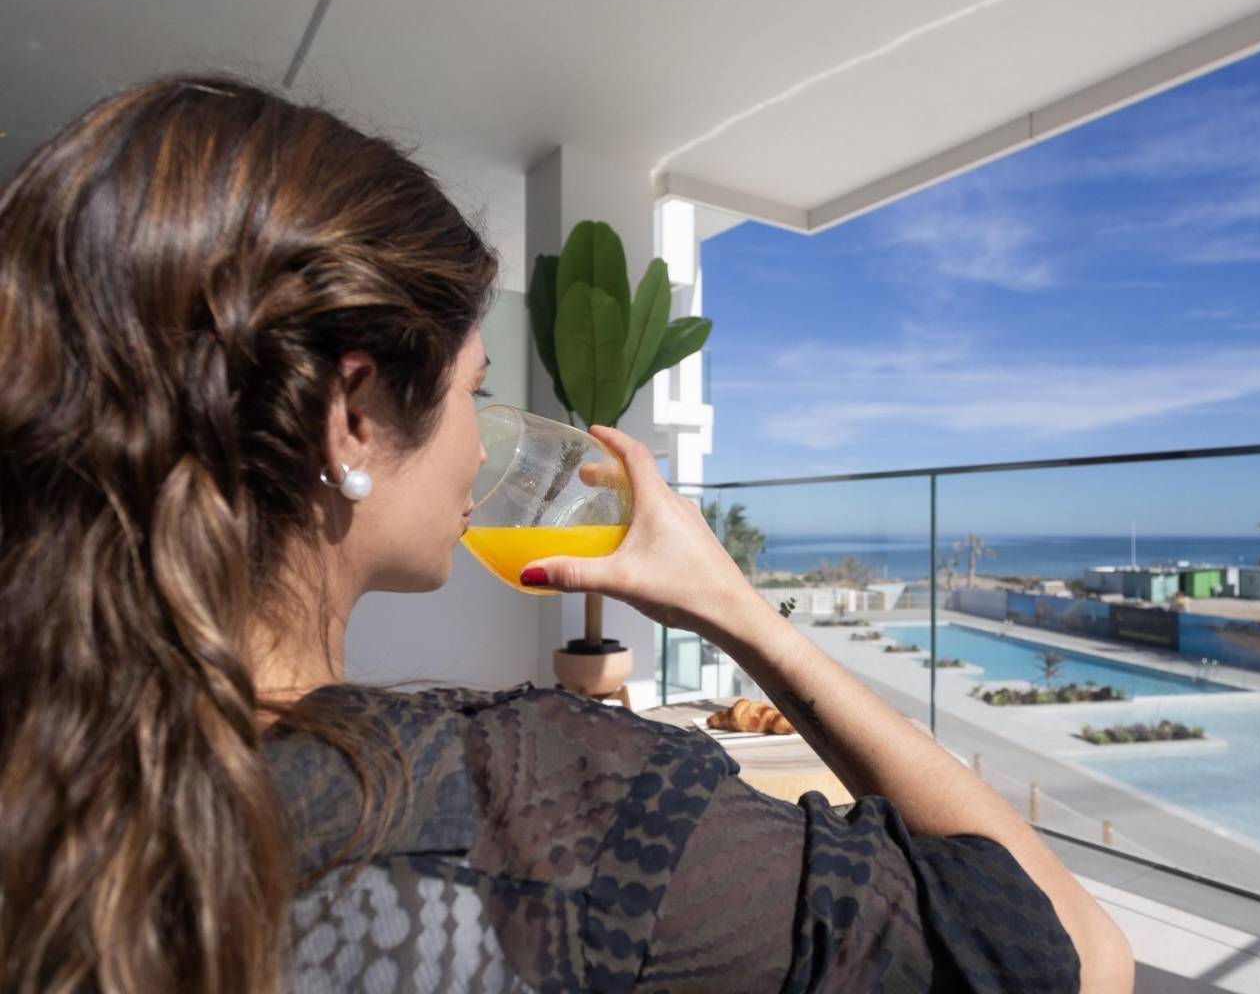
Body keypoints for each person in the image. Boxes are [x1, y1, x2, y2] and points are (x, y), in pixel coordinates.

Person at [0, 75, 1133, 994]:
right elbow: (1074, 956)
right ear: (352, 416)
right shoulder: (549, 802)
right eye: (474, 392)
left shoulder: (50, 771)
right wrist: (740, 613)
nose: (482, 443)